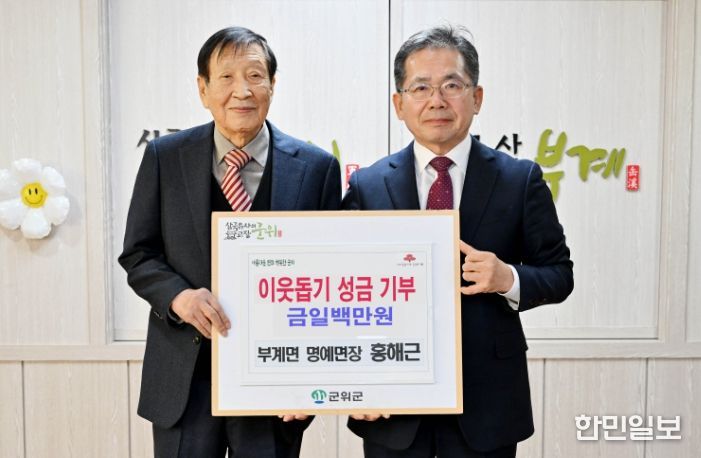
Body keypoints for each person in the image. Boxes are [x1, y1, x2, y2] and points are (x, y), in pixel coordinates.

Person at [342, 25, 573, 458]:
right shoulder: (368, 186)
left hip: (486, 402)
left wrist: (508, 278)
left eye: (452, 85)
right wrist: (356, 382)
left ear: (477, 97)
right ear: (399, 104)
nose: (437, 100)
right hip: (391, 403)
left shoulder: (519, 179)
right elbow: (343, 289)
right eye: (420, 88)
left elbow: (560, 274)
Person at [119, 26, 341, 458]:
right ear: (203, 89)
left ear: (273, 85)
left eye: (255, 76)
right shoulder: (165, 157)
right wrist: (179, 297)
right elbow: (138, 253)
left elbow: (330, 275)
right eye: (226, 77)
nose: (242, 90)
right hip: (186, 376)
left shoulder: (317, 169)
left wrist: (312, 378)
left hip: (277, 380)